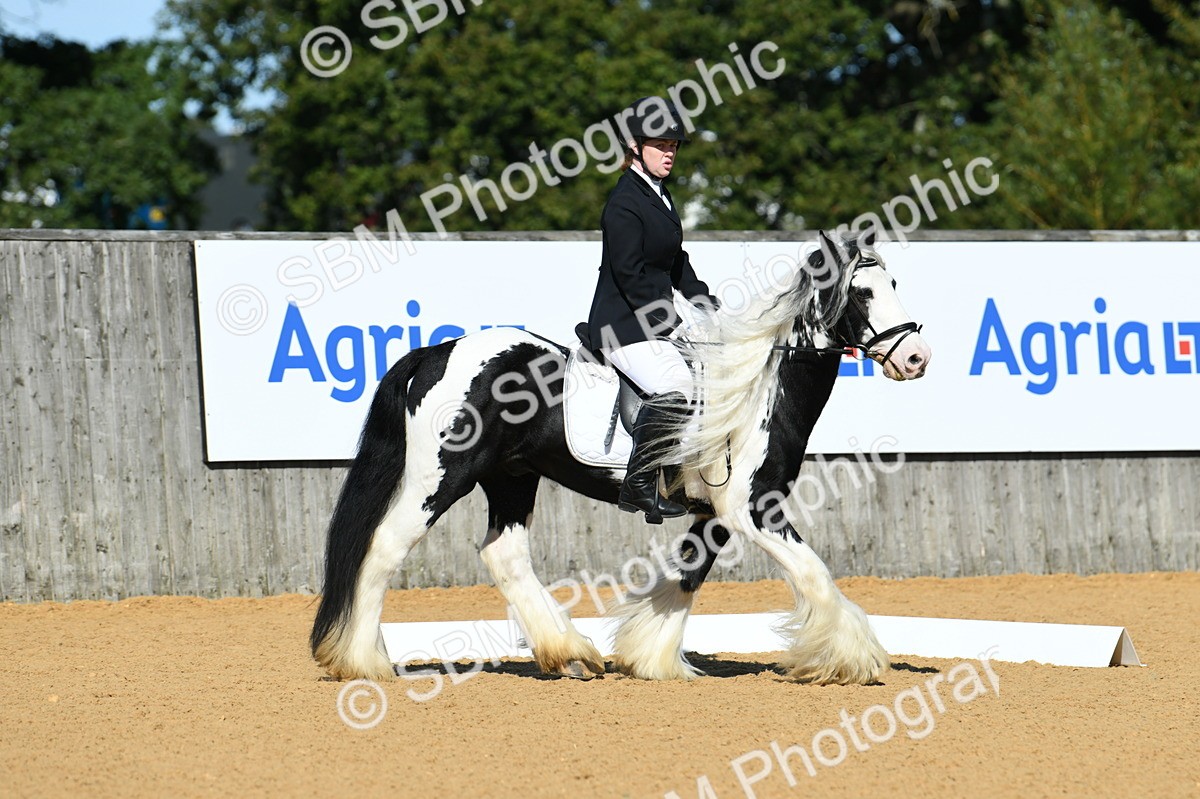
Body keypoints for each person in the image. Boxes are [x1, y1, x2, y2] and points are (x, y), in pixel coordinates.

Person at [585, 96, 719, 524]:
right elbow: (628, 272)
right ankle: (638, 485)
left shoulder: (659, 195)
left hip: (650, 320)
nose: (668, 154)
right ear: (636, 147)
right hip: (621, 325)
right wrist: (670, 319)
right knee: (676, 386)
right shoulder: (624, 201)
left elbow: (674, 258)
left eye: (673, 147)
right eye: (660, 145)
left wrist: (700, 299)